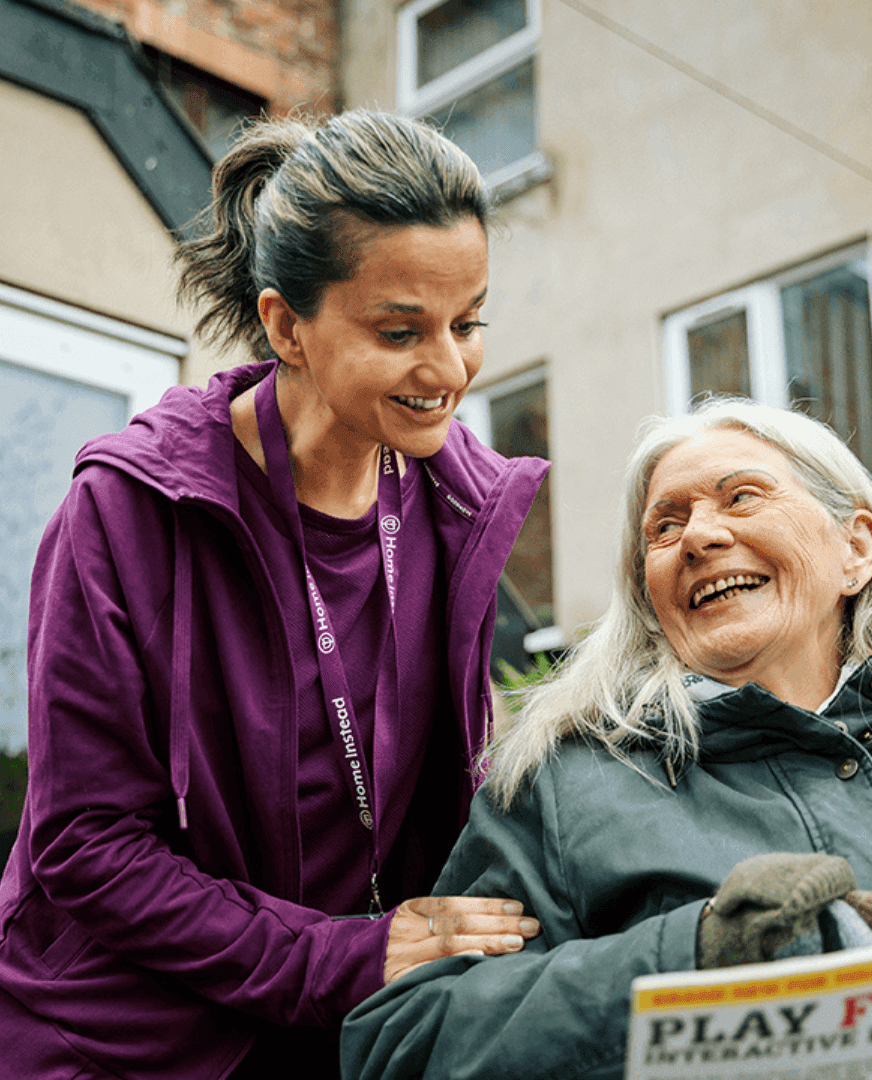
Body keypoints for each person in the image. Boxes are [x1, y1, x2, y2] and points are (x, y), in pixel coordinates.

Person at [0, 109, 548, 1079]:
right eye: (399, 330)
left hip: (351, 1031)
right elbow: (84, 846)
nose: (449, 369)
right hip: (127, 1044)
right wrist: (338, 956)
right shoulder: (126, 514)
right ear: (285, 324)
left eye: (468, 324)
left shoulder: (458, 502)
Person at [340, 397, 872, 1080]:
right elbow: (404, 1041)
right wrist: (691, 953)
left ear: (856, 548)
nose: (698, 536)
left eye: (742, 497)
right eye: (664, 526)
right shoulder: (566, 789)